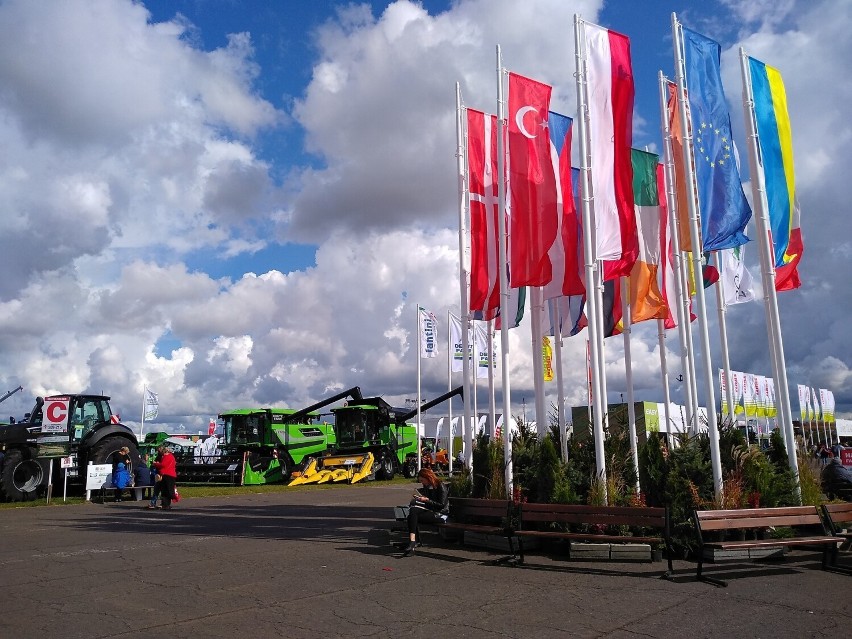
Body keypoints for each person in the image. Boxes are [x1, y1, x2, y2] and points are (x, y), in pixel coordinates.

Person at [401, 468, 448, 557]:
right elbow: (428, 503)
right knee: (413, 511)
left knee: (412, 516)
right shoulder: (428, 487)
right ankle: (412, 542)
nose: (422, 483)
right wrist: (420, 499)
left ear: (428, 477)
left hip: (440, 514)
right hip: (431, 511)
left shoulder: (440, 486)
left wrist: (427, 500)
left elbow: (441, 505)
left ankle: (413, 543)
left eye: (423, 480)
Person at [151, 444, 177, 510]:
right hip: (169, 475)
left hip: (167, 475)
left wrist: (155, 464)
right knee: (166, 490)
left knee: (166, 491)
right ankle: (165, 504)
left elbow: (163, 464)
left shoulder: (167, 456)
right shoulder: (171, 456)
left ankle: (165, 504)